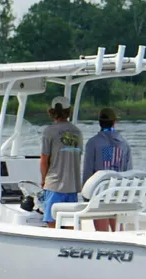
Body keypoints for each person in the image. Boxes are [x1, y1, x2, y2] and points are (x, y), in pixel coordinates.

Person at [82, 107, 132, 232]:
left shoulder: (93, 143)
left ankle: (103, 236)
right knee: (117, 223)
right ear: (114, 122)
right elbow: (128, 170)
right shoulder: (124, 144)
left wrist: (85, 194)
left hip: (100, 193)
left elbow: (89, 170)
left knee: (101, 225)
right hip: (118, 193)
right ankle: (118, 235)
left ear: (99, 122)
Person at [40, 96, 84, 228]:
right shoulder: (77, 132)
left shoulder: (49, 131)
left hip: (54, 184)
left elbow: (44, 160)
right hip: (72, 185)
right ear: (68, 111)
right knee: (70, 222)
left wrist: (43, 180)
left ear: (51, 112)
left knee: (51, 220)